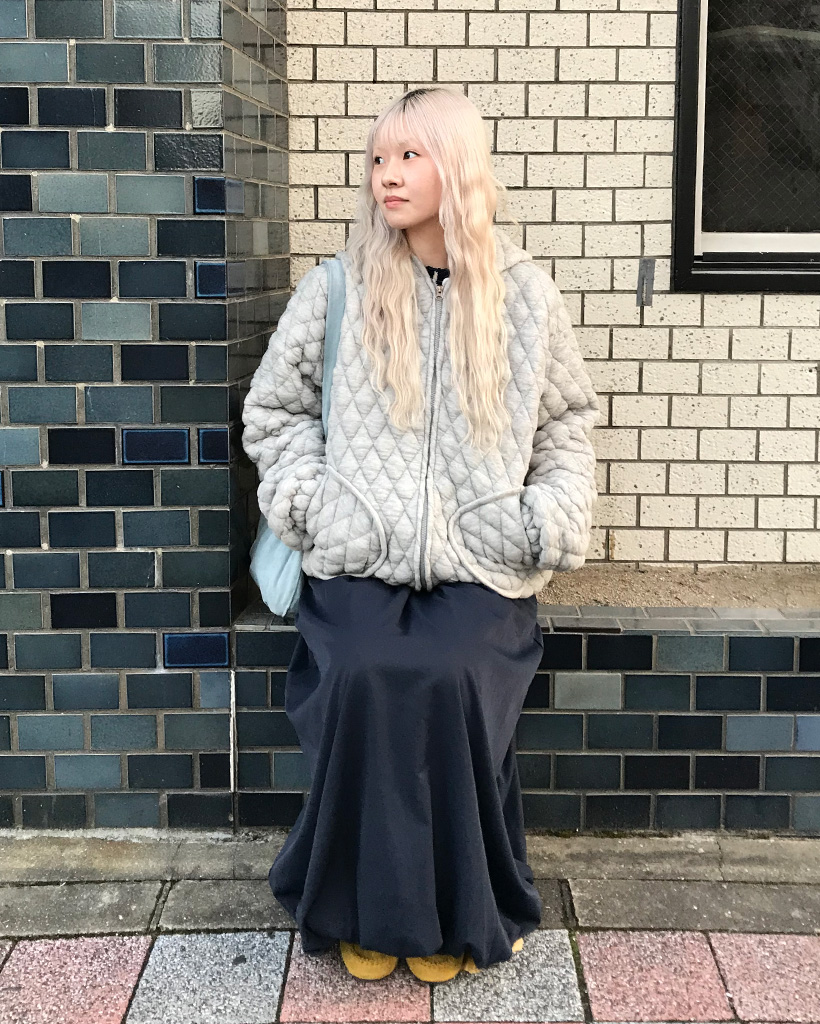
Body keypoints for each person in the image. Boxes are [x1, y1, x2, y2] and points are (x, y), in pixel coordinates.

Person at [241, 86, 600, 983]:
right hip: (358, 552)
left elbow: (565, 427)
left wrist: (544, 519)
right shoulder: (337, 289)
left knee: (451, 676)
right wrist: (314, 505)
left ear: (458, 167)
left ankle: (463, 913)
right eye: (377, 158)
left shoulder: (525, 297)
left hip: (483, 556)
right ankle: (358, 911)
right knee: (365, 673)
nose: (387, 176)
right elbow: (274, 413)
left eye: (410, 156)